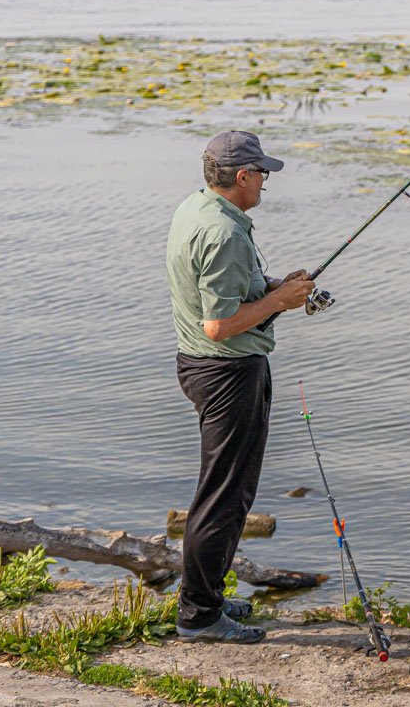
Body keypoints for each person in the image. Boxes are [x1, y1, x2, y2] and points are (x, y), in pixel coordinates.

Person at [165, 130, 315, 643]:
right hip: (226, 371)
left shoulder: (197, 208)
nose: (267, 182)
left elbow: (221, 290)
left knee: (225, 492)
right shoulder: (225, 233)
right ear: (243, 177)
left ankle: (204, 595)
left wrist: (273, 287)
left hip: (203, 366)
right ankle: (200, 617)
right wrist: (280, 303)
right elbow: (219, 323)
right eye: (263, 173)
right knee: (224, 497)